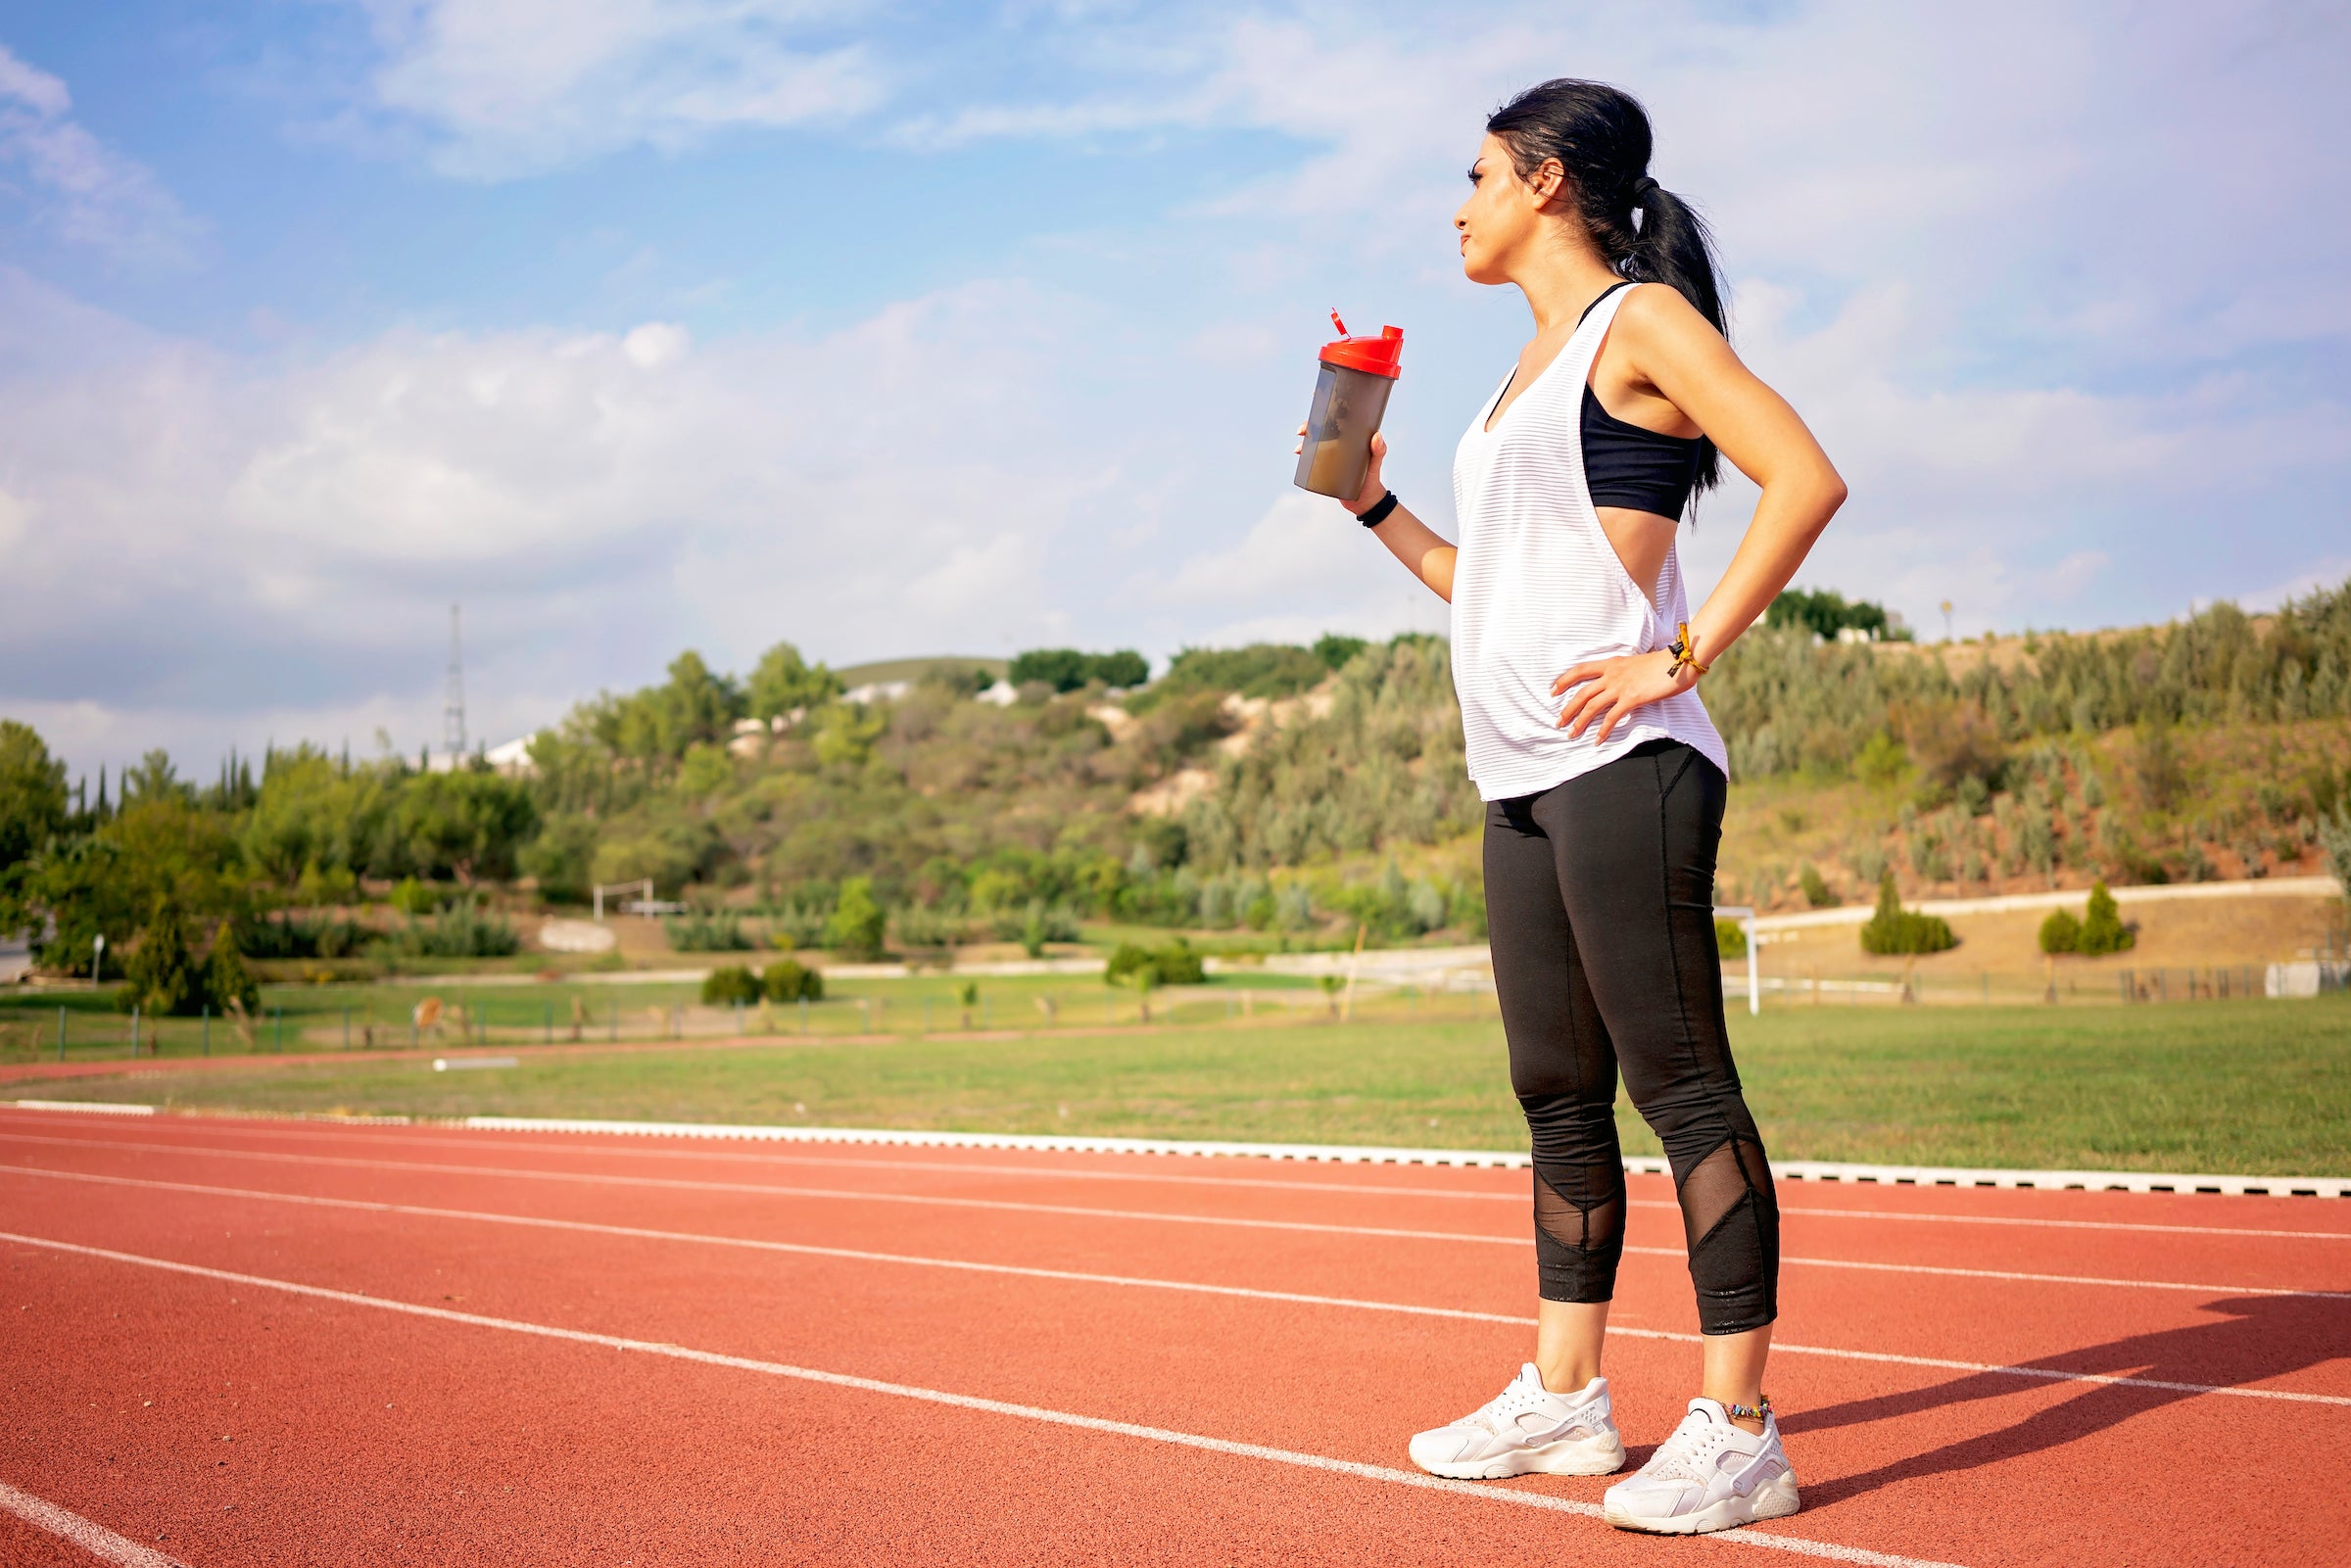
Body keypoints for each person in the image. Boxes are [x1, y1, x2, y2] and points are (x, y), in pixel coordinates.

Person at [1305, 78, 1845, 1535]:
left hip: (1631, 764)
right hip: (1522, 776)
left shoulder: (1638, 326)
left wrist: (1679, 651)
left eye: (1477, 173)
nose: (1459, 202)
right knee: (1556, 1091)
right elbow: (1490, 588)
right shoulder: (1521, 378)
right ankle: (1568, 1398)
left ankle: (1739, 1424)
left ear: (1548, 181)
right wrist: (1369, 503)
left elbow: (1804, 474)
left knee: (1681, 1086)